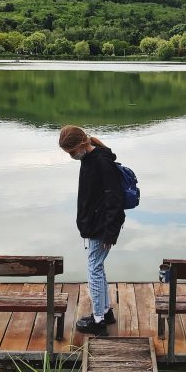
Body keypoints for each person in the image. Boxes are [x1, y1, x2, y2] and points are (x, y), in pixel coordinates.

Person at [58, 125, 125, 336]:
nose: (71, 156)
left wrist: (110, 233)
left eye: (71, 152)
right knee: (98, 267)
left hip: (102, 227)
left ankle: (98, 321)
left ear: (81, 145)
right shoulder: (89, 158)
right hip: (95, 224)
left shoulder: (102, 163)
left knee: (94, 270)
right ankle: (105, 313)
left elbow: (115, 199)